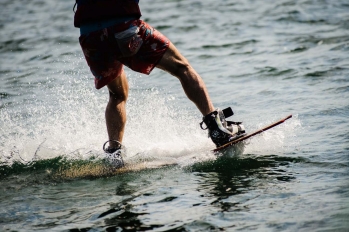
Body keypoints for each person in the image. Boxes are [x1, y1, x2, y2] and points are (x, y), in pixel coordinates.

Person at [74, 0, 245, 168]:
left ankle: (114, 155)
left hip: (91, 37)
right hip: (123, 28)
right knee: (182, 68)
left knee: (117, 94)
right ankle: (217, 129)